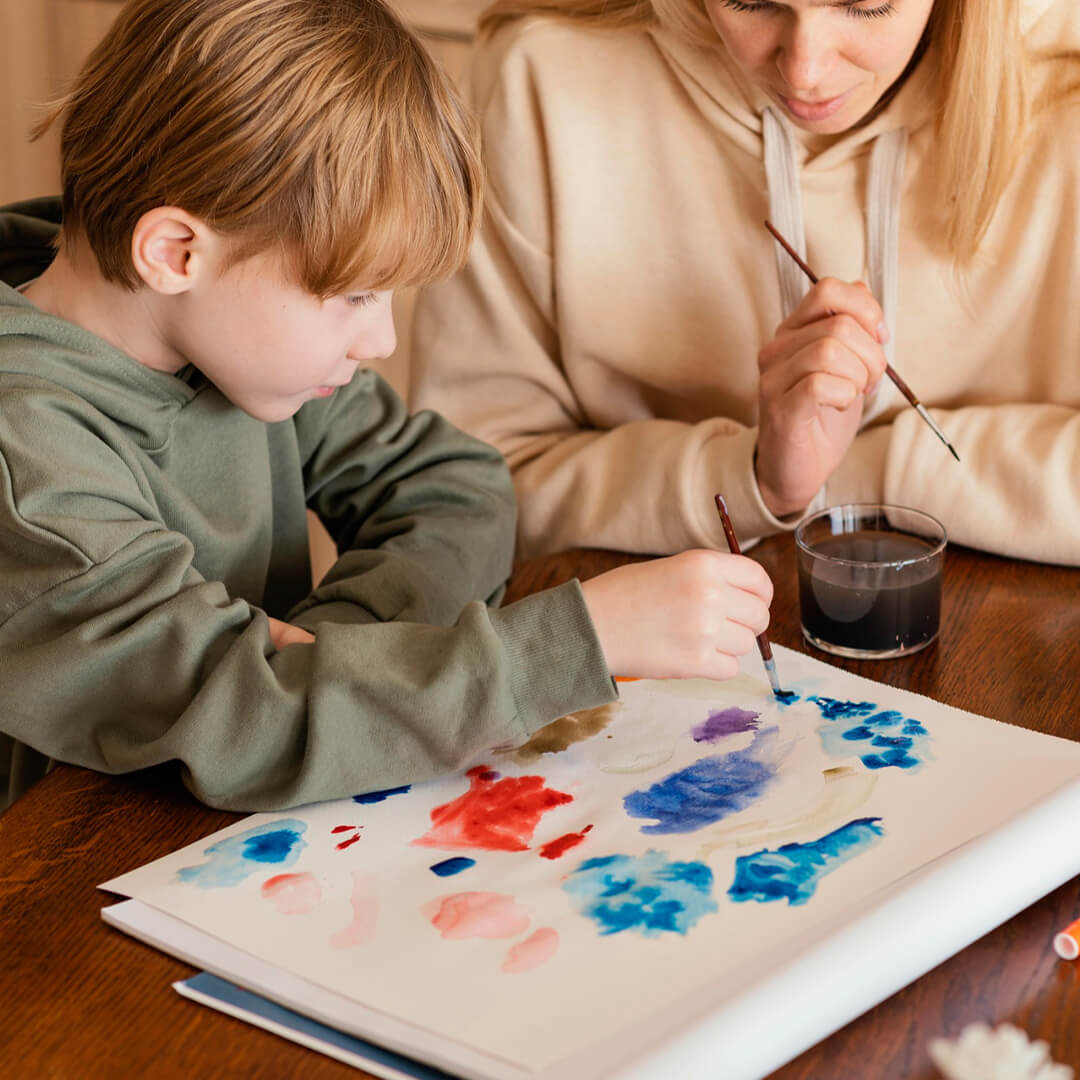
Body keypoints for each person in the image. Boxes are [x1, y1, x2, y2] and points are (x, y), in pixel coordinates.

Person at [0, 0, 775, 812]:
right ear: (176, 253)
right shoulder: (29, 464)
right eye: (356, 294)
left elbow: (458, 490)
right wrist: (575, 642)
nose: (382, 341)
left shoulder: (223, 339)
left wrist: (338, 664)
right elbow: (249, 725)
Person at [410, 0, 1080, 565]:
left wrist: (827, 476)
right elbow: (461, 496)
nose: (807, 70)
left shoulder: (1065, 91)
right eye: (752, 0)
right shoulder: (540, 80)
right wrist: (752, 475)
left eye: (865, 2)